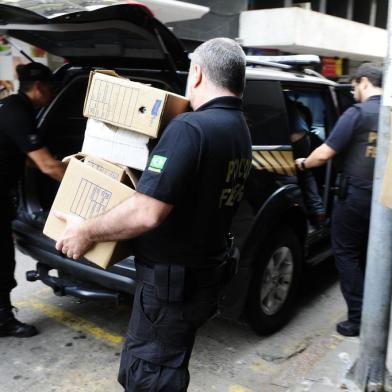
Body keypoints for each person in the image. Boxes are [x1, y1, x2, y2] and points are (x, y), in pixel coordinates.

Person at [54, 37, 252, 391]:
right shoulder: (238, 129)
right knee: (166, 366)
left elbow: (147, 213)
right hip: (201, 276)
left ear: (197, 73)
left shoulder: (191, 128)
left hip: (170, 287)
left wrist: (86, 231)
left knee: (151, 376)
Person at [295, 63, 382, 337]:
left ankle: (358, 318)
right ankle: (375, 310)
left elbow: (323, 155)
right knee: (372, 255)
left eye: (355, 85)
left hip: (355, 196)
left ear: (364, 82)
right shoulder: (389, 112)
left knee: (344, 251)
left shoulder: (357, 113)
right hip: (382, 200)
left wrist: (303, 163)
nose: (354, 91)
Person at [0, 62, 66, 338]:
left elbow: (28, 157)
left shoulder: (12, 105)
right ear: (38, 87)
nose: (51, 96)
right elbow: (47, 166)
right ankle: (3, 320)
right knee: (2, 261)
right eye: (51, 90)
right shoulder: (18, 113)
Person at [286, 98, 325, 227]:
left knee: (296, 177)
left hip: (293, 141)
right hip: (301, 139)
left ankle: (306, 216)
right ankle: (318, 213)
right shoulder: (290, 104)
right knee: (304, 175)